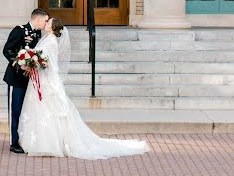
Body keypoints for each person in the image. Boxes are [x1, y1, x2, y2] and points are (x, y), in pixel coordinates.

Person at [18, 17, 149, 160]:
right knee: (41, 109)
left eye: (48, 22)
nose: (46, 23)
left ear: (53, 27)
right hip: (41, 79)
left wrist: (34, 62)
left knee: (49, 110)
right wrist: (32, 61)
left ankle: (49, 144)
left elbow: (49, 63)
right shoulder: (47, 38)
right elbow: (42, 59)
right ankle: (39, 142)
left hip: (47, 81)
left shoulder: (50, 41)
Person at [2, 8, 48, 154]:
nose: (46, 23)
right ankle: (13, 142)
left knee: (26, 110)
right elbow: (7, 50)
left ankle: (24, 138)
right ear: (38, 19)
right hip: (16, 78)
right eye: (45, 20)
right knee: (15, 110)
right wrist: (20, 64)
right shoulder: (19, 30)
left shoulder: (38, 33)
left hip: (30, 79)